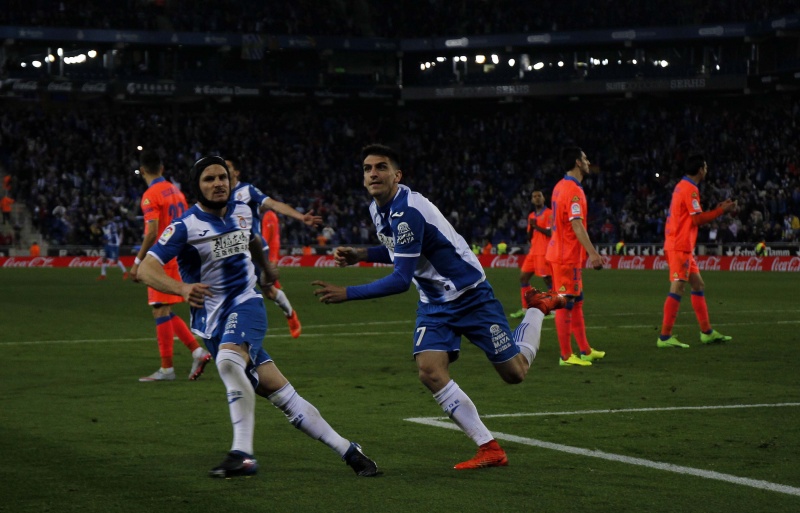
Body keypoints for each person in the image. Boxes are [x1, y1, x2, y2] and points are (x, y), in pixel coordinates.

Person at [312, 144, 565, 470]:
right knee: (430, 370)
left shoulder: (408, 210)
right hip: (434, 302)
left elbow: (400, 279)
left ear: (397, 175)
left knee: (515, 373)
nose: (373, 174)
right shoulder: (378, 209)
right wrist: (363, 254)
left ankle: (537, 308)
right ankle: (489, 447)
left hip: (470, 295)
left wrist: (348, 292)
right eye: (367, 168)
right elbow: (401, 249)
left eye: (381, 167)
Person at [137, 155, 378, 478]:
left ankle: (243, 455)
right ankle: (349, 450)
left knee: (227, 362)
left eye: (222, 177)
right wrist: (181, 288)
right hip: (211, 323)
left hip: (246, 304)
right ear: (197, 186)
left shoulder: (242, 212)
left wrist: (265, 272)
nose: (219, 183)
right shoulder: (185, 226)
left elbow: (252, 240)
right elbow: (146, 268)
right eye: (209, 178)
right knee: (284, 396)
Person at [129, 150, 212, 381]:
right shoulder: (176, 191)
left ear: (142, 171)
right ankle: (197, 352)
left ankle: (167, 369)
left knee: (159, 309)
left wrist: (138, 262)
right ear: (162, 169)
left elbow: (152, 231)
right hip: (177, 256)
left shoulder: (150, 195)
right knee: (164, 309)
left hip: (160, 259)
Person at [226, 157, 319, 339]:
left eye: (228, 166)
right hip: (233, 250)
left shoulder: (247, 190)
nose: (223, 169)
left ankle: (290, 314)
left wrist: (301, 217)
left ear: (236, 172)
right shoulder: (219, 194)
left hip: (255, 248)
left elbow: (274, 204)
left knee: (269, 291)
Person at [657, 154, 737, 348]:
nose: (706, 170)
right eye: (706, 167)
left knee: (698, 285)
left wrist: (717, 209)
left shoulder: (682, 186)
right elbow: (697, 219)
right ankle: (665, 337)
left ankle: (706, 332)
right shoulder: (690, 189)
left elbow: (691, 216)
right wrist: (721, 211)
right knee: (678, 287)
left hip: (681, 245)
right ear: (700, 170)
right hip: (679, 245)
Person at [545, 146, 605, 367]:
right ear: (578, 162)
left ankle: (585, 350)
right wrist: (593, 253)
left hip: (562, 252)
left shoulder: (560, 186)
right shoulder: (573, 190)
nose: (588, 162)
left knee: (577, 300)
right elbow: (576, 224)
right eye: (585, 158)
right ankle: (566, 356)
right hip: (565, 256)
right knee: (566, 301)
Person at [511, 190, 553, 319]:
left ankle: (553, 310)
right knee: (523, 278)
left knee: (548, 279)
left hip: (544, 251)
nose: (537, 198)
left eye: (539, 196)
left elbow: (550, 233)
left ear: (543, 198)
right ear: (532, 200)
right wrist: (532, 226)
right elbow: (529, 236)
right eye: (534, 196)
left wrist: (536, 226)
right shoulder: (531, 216)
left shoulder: (549, 213)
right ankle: (525, 309)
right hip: (533, 251)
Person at [97, 213, 129, 280]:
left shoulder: (111, 225)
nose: (101, 225)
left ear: (103, 221)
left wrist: (106, 238)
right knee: (104, 258)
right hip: (108, 244)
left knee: (115, 260)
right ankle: (103, 275)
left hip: (114, 244)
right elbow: (106, 235)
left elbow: (113, 234)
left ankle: (125, 272)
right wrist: (103, 239)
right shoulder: (103, 227)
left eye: (101, 224)